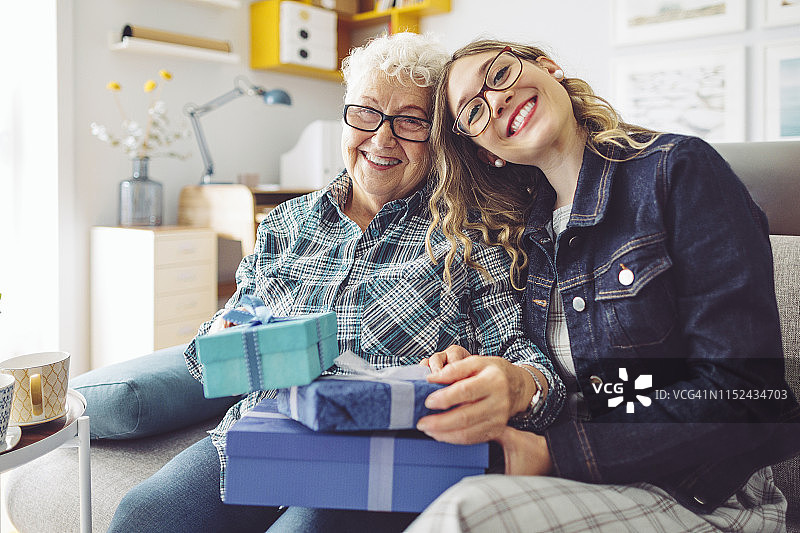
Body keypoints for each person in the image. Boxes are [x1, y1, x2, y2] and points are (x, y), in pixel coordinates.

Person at [107, 33, 565, 533]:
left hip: (377, 454)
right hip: (265, 431)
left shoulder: (470, 236)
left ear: (439, 137)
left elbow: (530, 363)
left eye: (410, 121)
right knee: (142, 516)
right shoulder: (286, 223)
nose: (382, 138)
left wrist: (517, 384)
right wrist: (225, 339)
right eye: (365, 113)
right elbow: (213, 346)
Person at [407, 39, 800, 532]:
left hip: (704, 493)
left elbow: (747, 391)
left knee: (468, 511)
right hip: (583, 486)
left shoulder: (678, 169)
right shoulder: (523, 238)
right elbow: (567, 386)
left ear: (548, 67)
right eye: (474, 111)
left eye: (500, 74)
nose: (496, 99)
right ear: (488, 154)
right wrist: (499, 380)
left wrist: (555, 454)